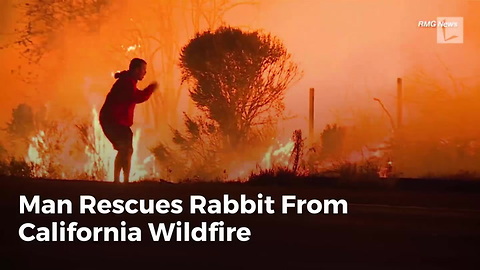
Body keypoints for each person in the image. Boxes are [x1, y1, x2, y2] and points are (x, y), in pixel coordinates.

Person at [99, 58, 158, 183]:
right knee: (126, 148)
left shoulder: (128, 81)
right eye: (143, 70)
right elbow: (137, 97)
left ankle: (120, 180)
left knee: (125, 149)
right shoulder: (126, 82)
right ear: (136, 70)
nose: (145, 73)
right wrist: (151, 89)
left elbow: (135, 95)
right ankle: (122, 181)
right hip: (113, 120)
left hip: (114, 120)